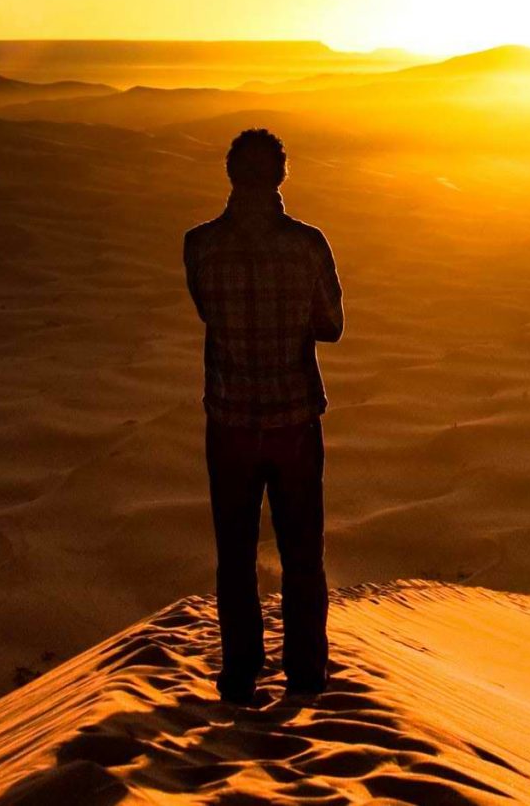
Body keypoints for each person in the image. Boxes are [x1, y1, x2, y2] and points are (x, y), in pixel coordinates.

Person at [184, 126, 344, 702]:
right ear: (281, 175)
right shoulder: (308, 244)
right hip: (295, 422)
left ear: (231, 176)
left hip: (229, 421)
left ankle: (240, 674)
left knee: (235, 553)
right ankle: (304, 676)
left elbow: (206, 311)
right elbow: (332, 327)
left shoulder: (199, 244)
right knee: (303, 553)